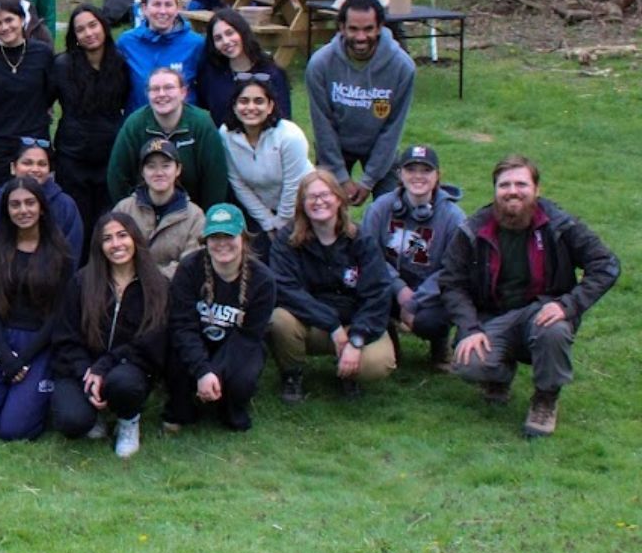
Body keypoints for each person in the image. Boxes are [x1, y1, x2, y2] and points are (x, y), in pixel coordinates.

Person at [441, 155, 620, 436]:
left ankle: (546, 399)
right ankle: (499, 376)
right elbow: (451, 282)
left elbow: (606, 265)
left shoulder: (560, 224)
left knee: (553, 329)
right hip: (494, 318)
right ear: (495, 191)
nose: (513, 191)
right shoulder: (474, 229)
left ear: (537, 190)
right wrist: (469, 328)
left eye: (521, 184)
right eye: (505, 185)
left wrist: (568, 304)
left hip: (544, 312)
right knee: (467, 363)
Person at [0, 178, 75, 440]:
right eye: (15, 205)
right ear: (6, 210)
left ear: (42, 207)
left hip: (40, 344)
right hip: (0, 339)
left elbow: (58, 314)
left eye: (30, 203)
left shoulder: (60, 253)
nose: (23, 210)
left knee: (14, 430)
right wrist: (5, 355)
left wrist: (23, 359)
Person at [267, 170, 399, 401]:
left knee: (378, 364)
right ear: (302, 205)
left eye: (325, 194)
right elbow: (285, 289)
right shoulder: (287, 240)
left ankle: (349, 373)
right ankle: (292, 374)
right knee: (279, 320)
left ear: (339, 199)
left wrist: (356, 339)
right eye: (311, 197)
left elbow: (378, 293)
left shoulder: (361, 239)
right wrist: (332, 326)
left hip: (355, 324)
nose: (319, 202)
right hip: (311, 324)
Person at [47, 212, 169, 457]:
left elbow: (151, 341)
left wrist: (104, 367)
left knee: (122, 384)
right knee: (72, 422)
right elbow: (66, 336)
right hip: (82, 367)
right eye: (108, 239)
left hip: (129, 366)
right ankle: (95, 414)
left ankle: (128, 420)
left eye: (122, 236)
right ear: (99, 246)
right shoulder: (82, 281)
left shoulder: (157, 285)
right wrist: (86, 372)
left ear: (135, 239)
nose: (116, 244)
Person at [162, 203, 275, 432]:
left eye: (229, 236)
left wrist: (215, 372)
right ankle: (183, 403)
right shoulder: (189, 268)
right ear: (205, 240)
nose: (222, 243)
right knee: (178, 381)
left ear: (243, 237)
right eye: (215, 236)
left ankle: (230, 403)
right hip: (197, 342)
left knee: (239, 388)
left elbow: (249, 337)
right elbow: (182, 326)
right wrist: (202, 370)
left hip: (237, 346)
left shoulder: (263, 280)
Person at [355, 144, 463, 369]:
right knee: (360, 289)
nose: (418, 176)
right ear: (400, 174)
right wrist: (399, 289)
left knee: (432, 319)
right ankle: (389, 340)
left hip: (432, 291)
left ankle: (439, 346)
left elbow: (452, 269)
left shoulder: (454, 218)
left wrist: (416, 299)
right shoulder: (379, 209)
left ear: (437, 176)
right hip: (389, 285)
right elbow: (368, 256)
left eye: (426, 170)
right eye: (411, 169)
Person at [305, 0, 414, 206]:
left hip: (379, 145)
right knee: (324, 210)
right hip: (336, 145)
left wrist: (368, 181)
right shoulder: (320, 64)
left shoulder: (402, 67)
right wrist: (341, 179)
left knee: (392, 211)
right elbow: (323, 127)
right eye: (353, 29)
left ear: (380, 27)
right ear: (341, 28)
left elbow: (392, 129)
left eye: (368, 29)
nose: (361, 37)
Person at [106, 67, 230, 210]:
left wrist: (206, 221)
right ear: (147, 94)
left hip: (193, 213)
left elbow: (216, 179)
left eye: (169, 88)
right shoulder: (135, 124)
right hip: (144, 210)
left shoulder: (201, 123)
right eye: (155, 89)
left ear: (183, 92)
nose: (161, 94)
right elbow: (117, 176)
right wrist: (131, 215)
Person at [49, 5, 127, 227]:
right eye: (81, 29)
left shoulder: (120, 63)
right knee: (75, 222)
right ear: (74, 36)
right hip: (72, 157)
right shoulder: (62, 65)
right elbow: (46, 102)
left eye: (93, 25)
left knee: (107, 223)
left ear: (103, 25)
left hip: (110, 156)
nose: (89, 33)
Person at [0, 0, 56, 195]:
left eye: (9, 20)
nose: (5, 27)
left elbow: (50, 93)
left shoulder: (42, 54)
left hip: (33, 143)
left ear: (22, 19)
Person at [219, 77, 311, 242]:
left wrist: (281, 223)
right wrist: (268, 222)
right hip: (262, 211)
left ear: (270, 107)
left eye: (259, 101)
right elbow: (238, 183)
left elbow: (293, 185)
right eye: (244, 101)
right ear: (234, 106)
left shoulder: (290, 136)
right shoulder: (226, 135)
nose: (251, 107)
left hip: (302, 205)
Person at [113, 139, 208, 277]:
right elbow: (111, 251)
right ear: (142, 172)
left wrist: (152, 279)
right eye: (151, 166)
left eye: (166, 166)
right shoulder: (124, 209)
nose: (159, 173)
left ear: (178, 169)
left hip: (173, 290)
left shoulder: (195, 216)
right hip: (128, 286)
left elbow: (192, 263)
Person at [0, 143, 85, 259]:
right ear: (13, 167)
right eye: (27, 163)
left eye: (42, 164)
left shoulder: (65, 206)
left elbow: (72, 255)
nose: (35, 169)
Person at [115, 0, 204, 113]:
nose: (162, 11)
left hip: (182, 125)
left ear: (177, 8)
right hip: (140, 126)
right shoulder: (127, 43)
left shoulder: (196, 44)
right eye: (156, 4)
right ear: (144, 8)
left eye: (168, 5)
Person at [197, 10, 291, 126]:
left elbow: (284, 121)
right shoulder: (210, 75)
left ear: (242, 32)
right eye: (218, 38)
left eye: (230, 33)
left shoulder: (271, 73)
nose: (226, 41)